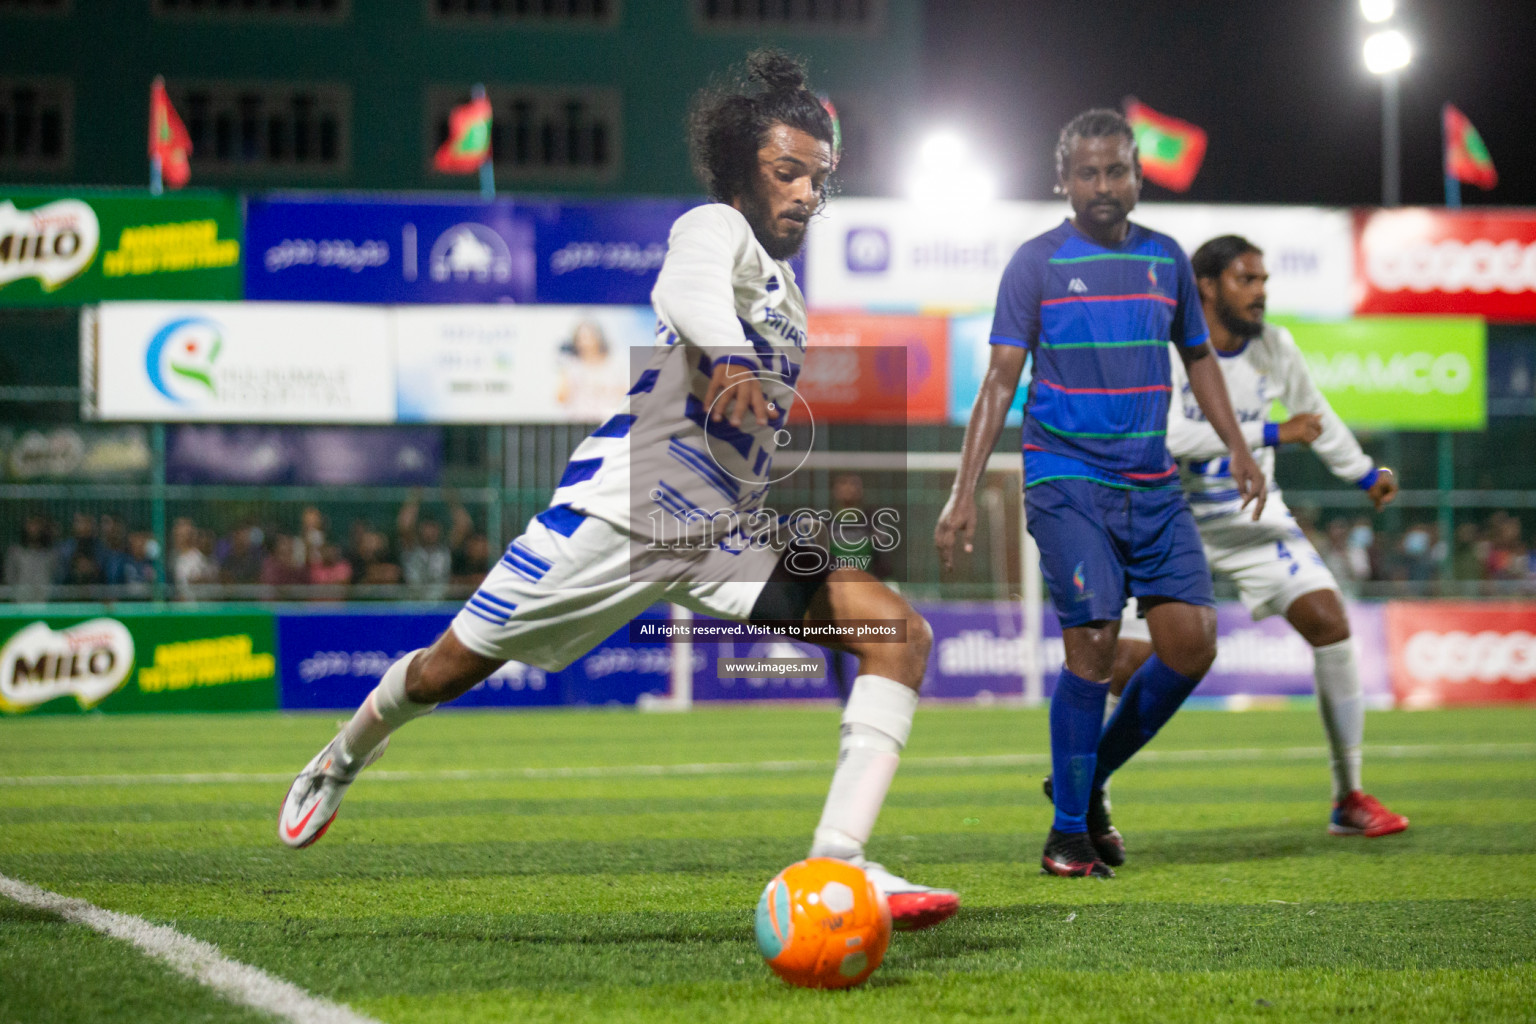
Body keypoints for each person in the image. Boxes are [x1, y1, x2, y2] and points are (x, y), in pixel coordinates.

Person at [279, 50, 958, 931]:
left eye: (817, 180)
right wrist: (734, 357)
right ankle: (341, 755)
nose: (804, 194)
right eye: (786, 172)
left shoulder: (788, 289)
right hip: (622, 512)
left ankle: (841, 864)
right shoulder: (714, 228)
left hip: (720, 529)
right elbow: (687, 289)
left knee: (898, 635)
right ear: (742, 175)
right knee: (450, 669)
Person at [935, 110, 1265, 878]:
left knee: (1191, 646)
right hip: (1068, 479)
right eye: (1088, 173)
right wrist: (962, 493)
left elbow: (1200, 359)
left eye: (1116, 171)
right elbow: (998, 383)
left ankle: (1086, 783)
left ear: (1137, 177)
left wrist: (1241, 446)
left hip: (1152, 486)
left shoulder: (1167, 259)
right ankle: (1067, 834)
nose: (1103, 186)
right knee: (1088, 645)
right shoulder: (1036, 264)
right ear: (1063, 180)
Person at [1109, 234, 1408, 839]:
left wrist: (1362, 474)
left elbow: (1314, 416)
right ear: (1207, 287)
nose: (1261, 293)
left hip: (1252, 516)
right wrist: (1270, 434)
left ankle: (1348, 796)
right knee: (1127, 664)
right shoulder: (1165, 349)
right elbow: (1163, 439)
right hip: (1171, 518)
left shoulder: (1274, 346)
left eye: (1264, 281)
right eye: (1247, 280)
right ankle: (1092, 799)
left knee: (1331, 620)